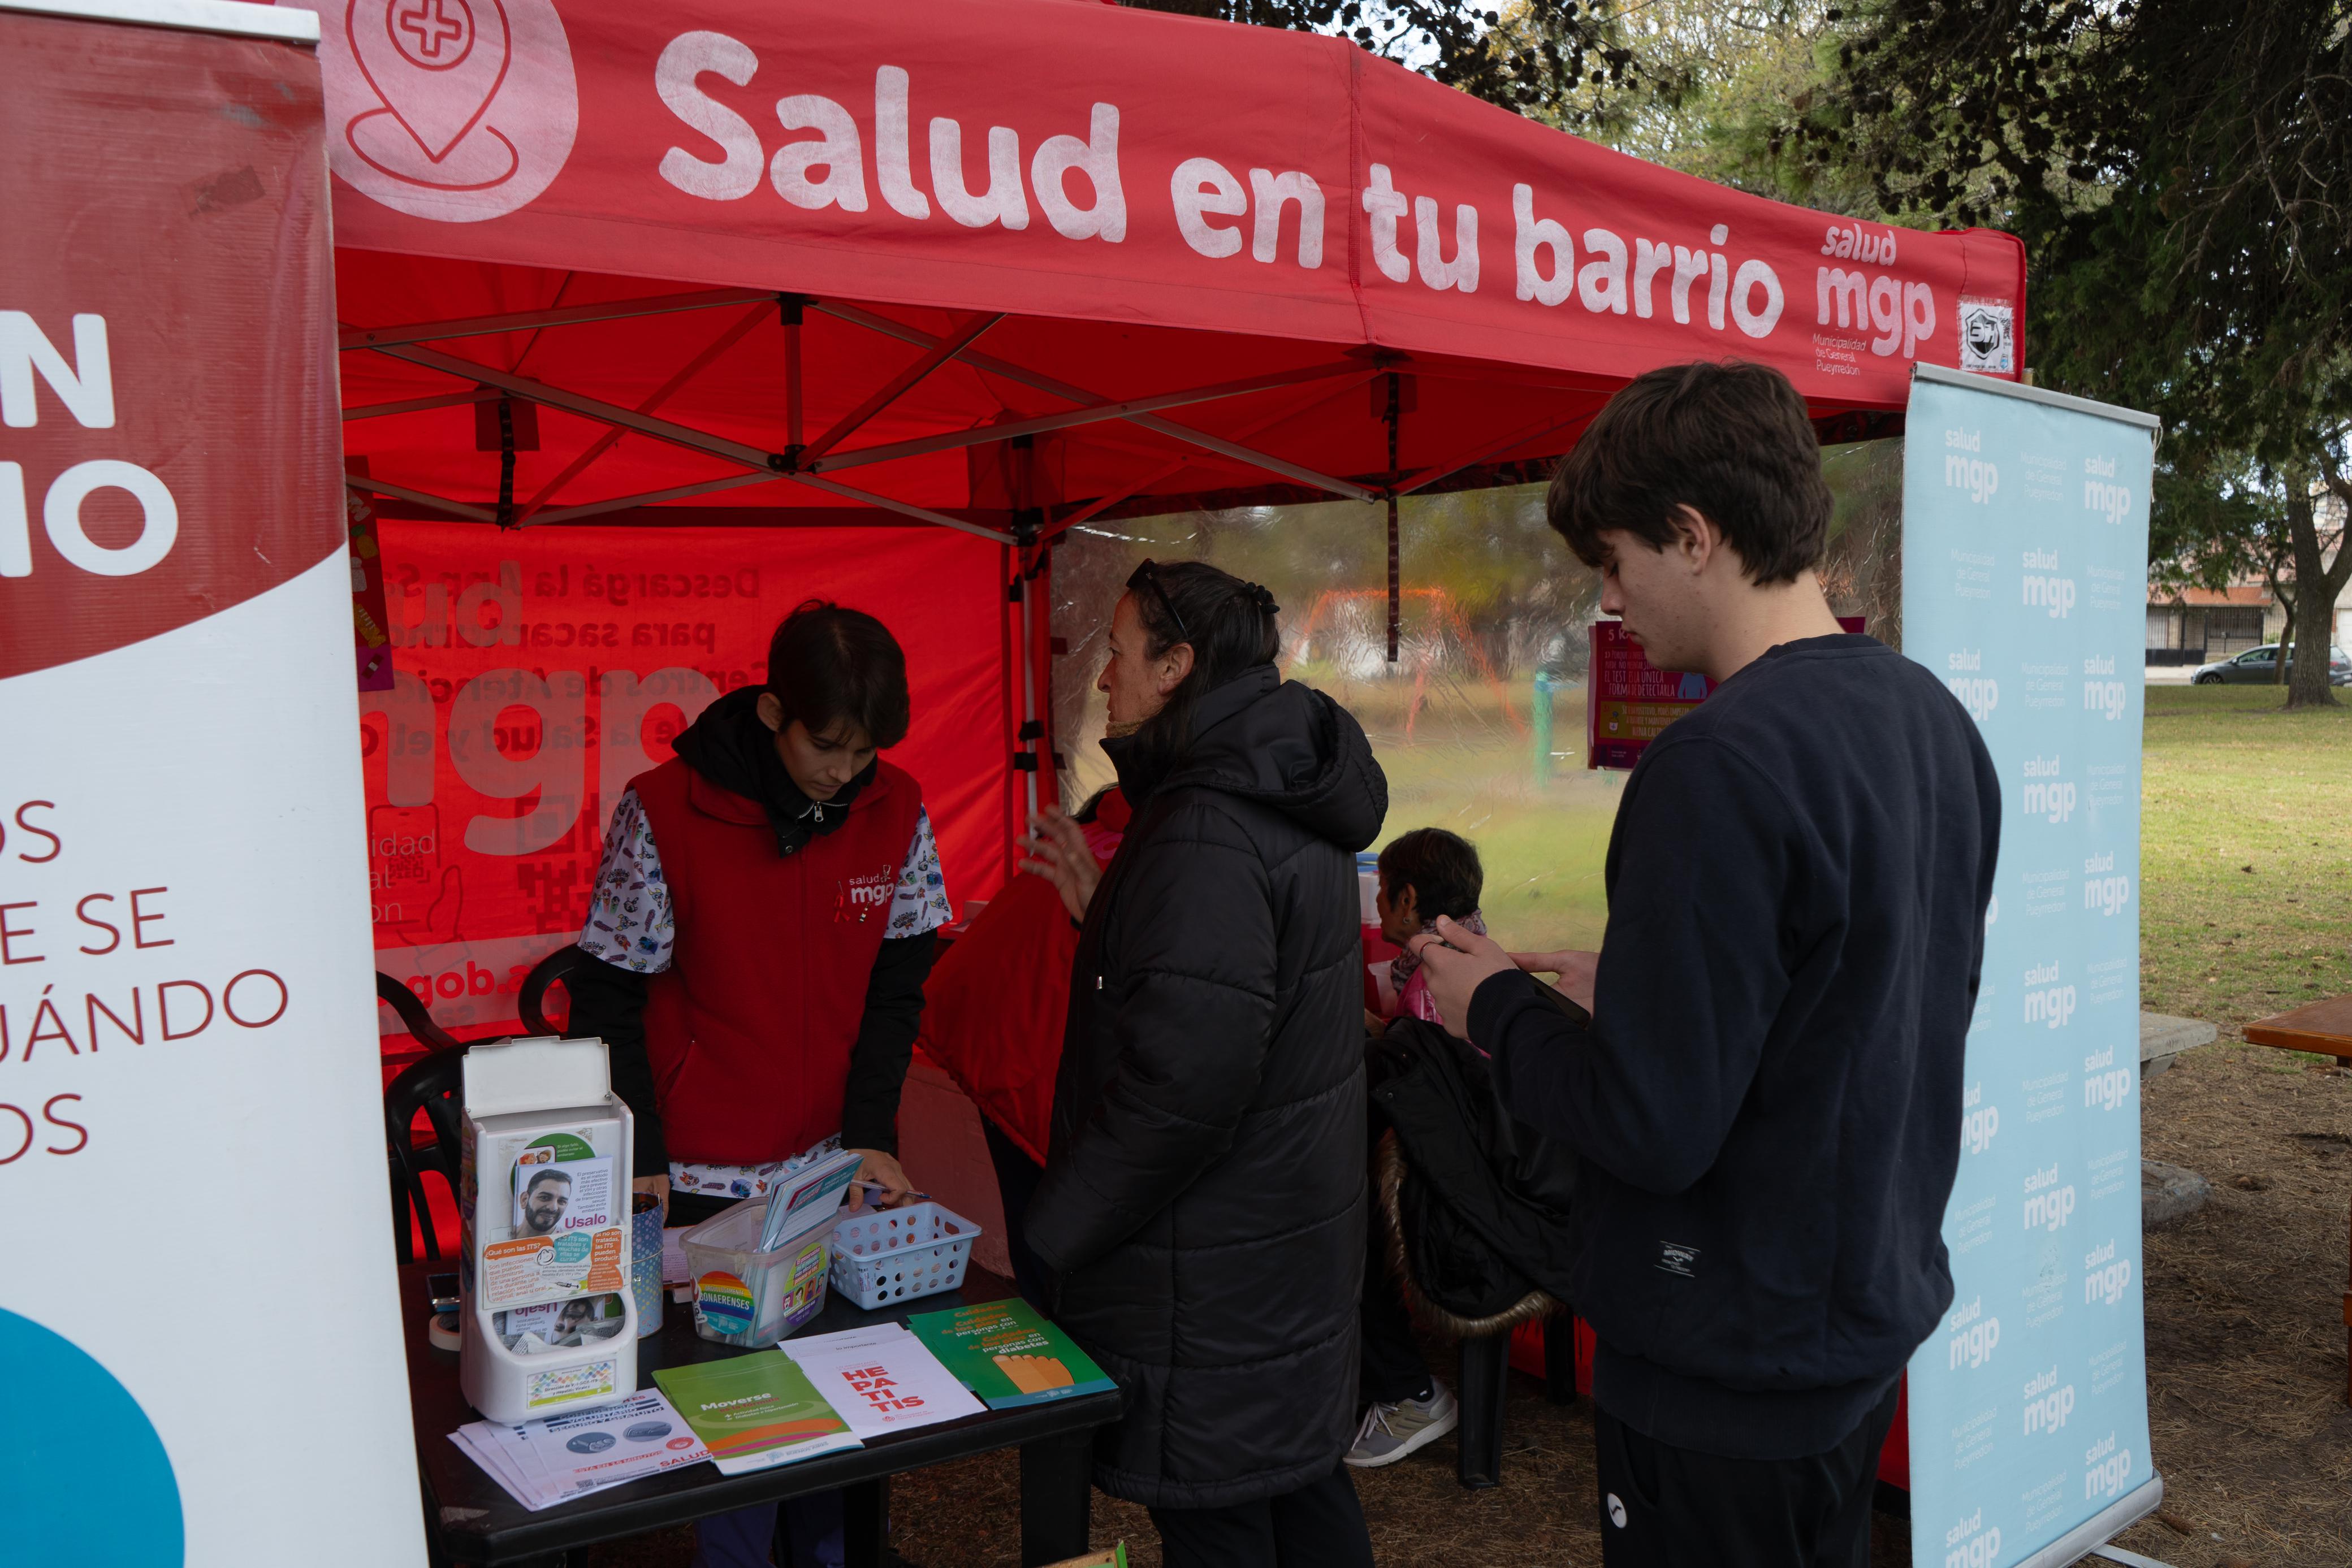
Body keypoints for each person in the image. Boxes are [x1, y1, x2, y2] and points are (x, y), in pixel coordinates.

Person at [1411, 360, 2000, 1568]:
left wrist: (1497, 1009)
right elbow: (1856, 1001)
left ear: (1692, 535)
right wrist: (1631, 997)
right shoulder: (1928, 717)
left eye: (1615, 561)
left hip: (1722, 1358)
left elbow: (1653, 1125)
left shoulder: (1715, 764)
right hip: (1845, 1326)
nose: (1611, 600)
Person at [564, 599, 952, 1568]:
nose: (844, 770)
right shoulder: (663, 807)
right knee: (736, 1409)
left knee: (840, 1395)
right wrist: (642, 1152)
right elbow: (609, 994)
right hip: (700, 1166)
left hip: (832, 1161)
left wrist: (872, 1127)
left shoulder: (895, 805)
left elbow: (901, 983)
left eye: (865, 752)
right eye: (828, 743)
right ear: (775, 708)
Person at [1021, 561, 1386, 1568]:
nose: (1104, 677)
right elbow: (1226, 990)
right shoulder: (1269, 783)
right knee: (1298, 1486)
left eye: (1122, 651)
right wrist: (1114, 917)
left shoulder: (1206, 824)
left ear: (1179, 666)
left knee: (1224, 1510)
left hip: (1214, 1269)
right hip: (1278, 1247)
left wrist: (1055, 1227)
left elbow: (1183, 1085)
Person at [912, 785, 1130, 1309]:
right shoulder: (1150, 854)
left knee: (1037, 1231)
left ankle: (1047, 1359)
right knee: (1065, 1257)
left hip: (999, 1042)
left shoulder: (1102, 834)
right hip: (1036, 1062)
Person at [1343, 825, 1485, 1471]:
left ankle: (1409, 1391)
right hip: (1488, 1166)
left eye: (1381, 898)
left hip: (1460, 1187)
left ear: (1405, 897)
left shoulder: (1434, 985)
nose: (1376, 911)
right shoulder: (1469, 953)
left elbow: (1421, 1107)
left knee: (1342, 1219)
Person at [1372, 826, 1486, 1030]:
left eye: (1381, 886)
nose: (1377, 899)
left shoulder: (1432, 981)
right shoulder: (1477, 953)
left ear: (1407, 900)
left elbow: (1421, 1059)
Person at [516, 1168, 572, 1236]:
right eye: (545, 1198)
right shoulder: (504, 1235)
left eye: (562, 1202)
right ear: (524, 1199)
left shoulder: (570, 1241)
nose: (553, 1208)